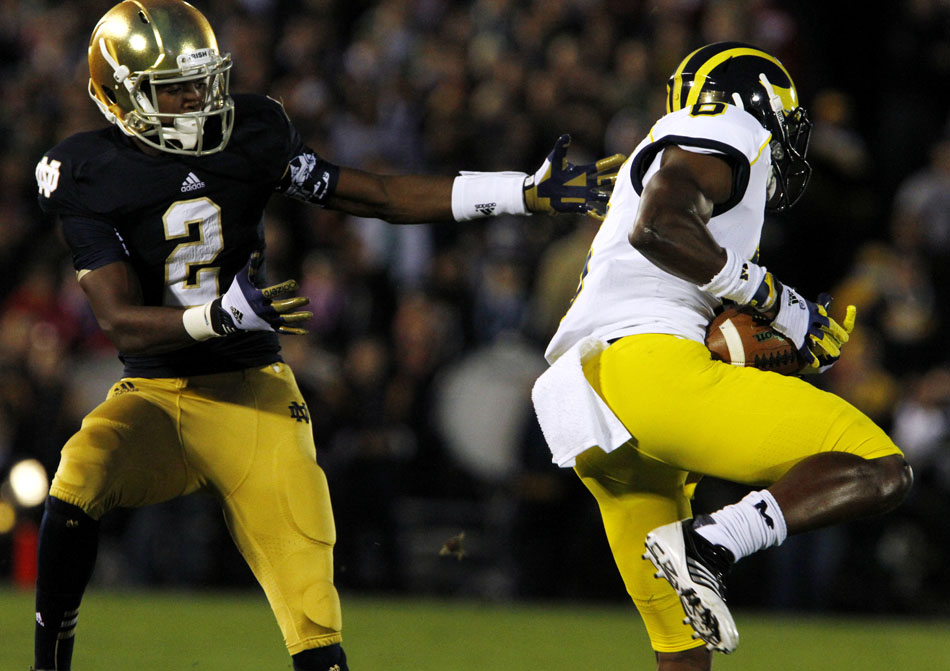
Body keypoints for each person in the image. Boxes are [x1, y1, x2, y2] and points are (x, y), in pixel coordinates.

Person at [30, 2, 625, 670]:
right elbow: (116, 318)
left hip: (253, 394)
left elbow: (374, 194)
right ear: (119, 95)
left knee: (315, 625)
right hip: (156, 395)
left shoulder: (253, 130)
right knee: (76, 480)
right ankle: (49, 660)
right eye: (176, 89)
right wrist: (215, 318)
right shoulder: (83, 169)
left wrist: (520, 191)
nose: (199, 100)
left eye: (203, 81)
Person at [531, 42, 914, 671]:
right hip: (648, 376)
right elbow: (657, 227)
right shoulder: (721, 128)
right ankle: (711, 541)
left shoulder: (673, 158)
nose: (786, 139)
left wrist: (781, 338)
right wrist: (784, 309)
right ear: (752, 104)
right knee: (877, 466)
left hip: (585, 406)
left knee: (682, 655)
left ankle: (697, 547)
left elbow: (702, 317)